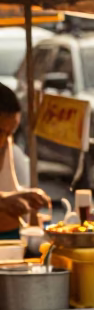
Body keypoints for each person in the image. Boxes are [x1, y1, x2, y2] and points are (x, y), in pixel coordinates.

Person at [0, 83, 50, 239]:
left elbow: (8, 190)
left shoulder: (6, 144)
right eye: (0, 131)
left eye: (10, 133)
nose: (3, 140)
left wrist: (24, 196)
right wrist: (4, 202)